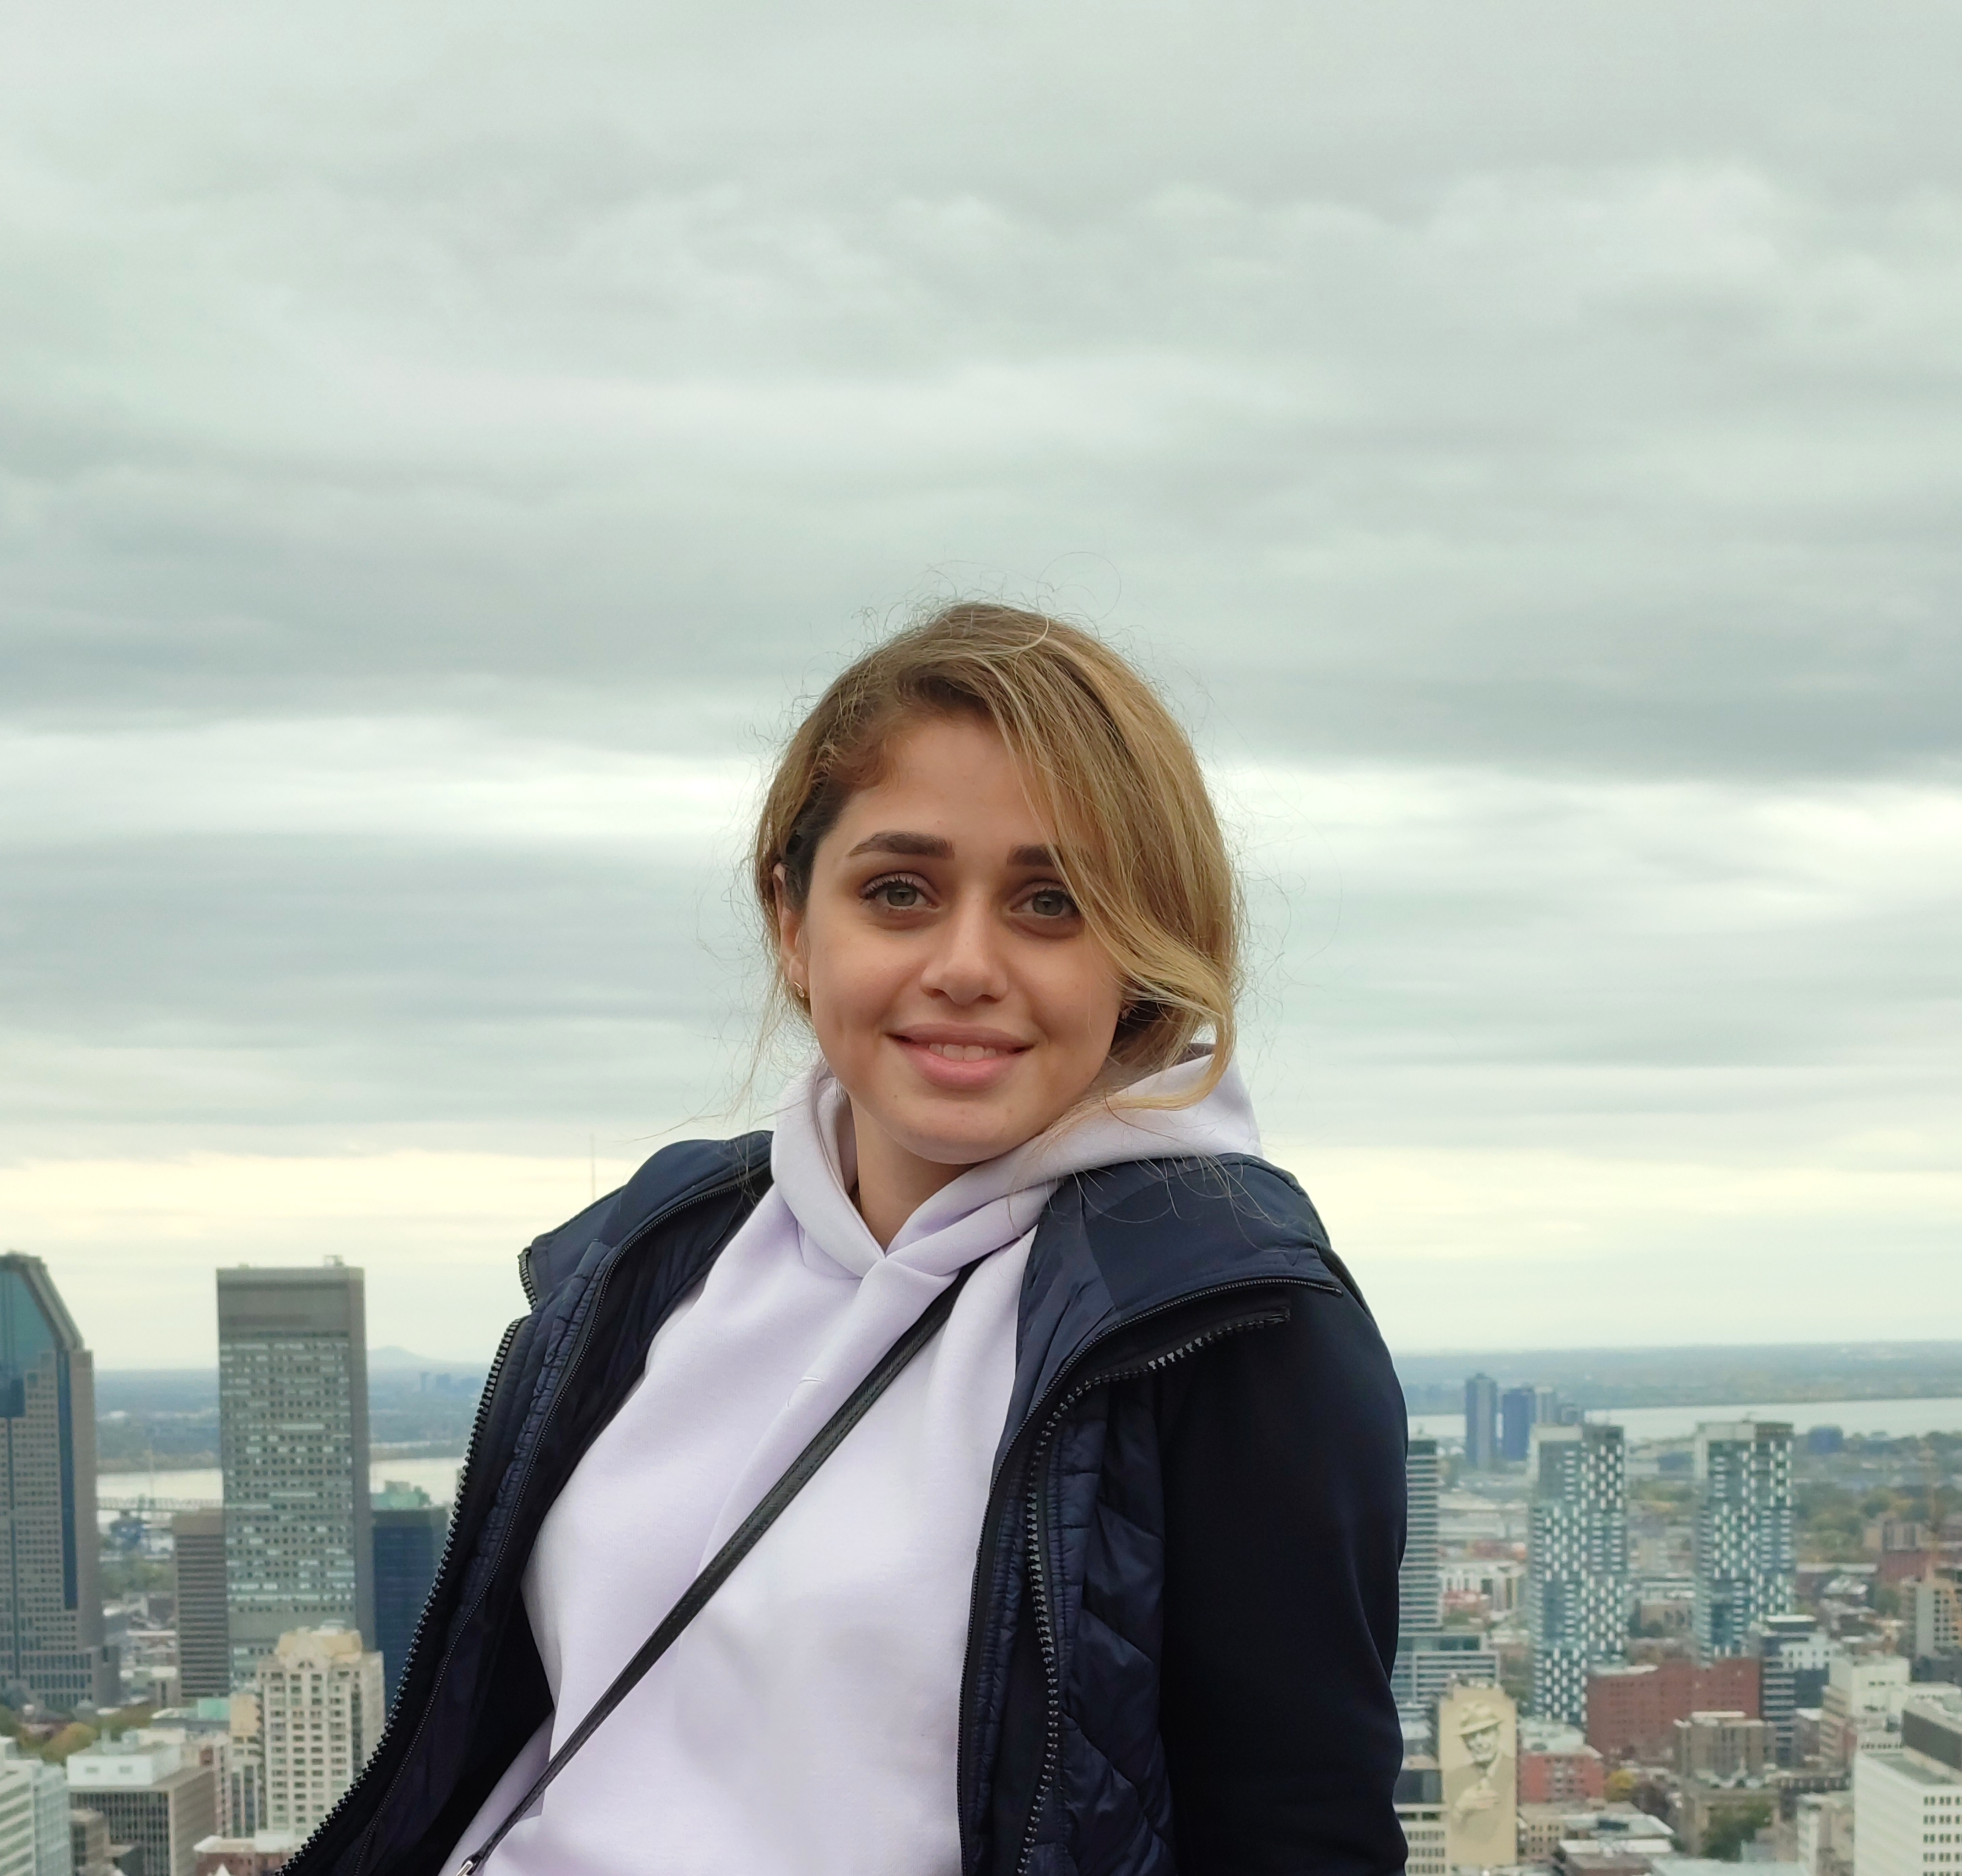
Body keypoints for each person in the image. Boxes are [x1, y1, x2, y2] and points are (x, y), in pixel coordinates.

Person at [290, 603, 1408, 1876]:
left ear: (1141, 957)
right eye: (900, 892)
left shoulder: (1228, 1320)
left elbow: (1300, 1837)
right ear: (792, 919)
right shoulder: (659, 1258)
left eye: (1052, 901)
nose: (968, 964)